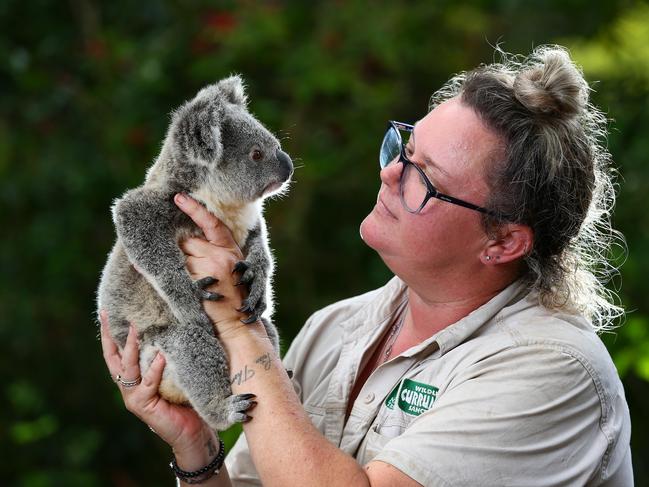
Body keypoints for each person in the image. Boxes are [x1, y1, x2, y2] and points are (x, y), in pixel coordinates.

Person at [100, 45, 633, 486]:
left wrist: (237, 328)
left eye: (425, 179)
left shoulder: (553, 371)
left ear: (503, 242)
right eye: (404, 148)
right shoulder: (336, 330)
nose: (389, 175)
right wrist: (196, 445)